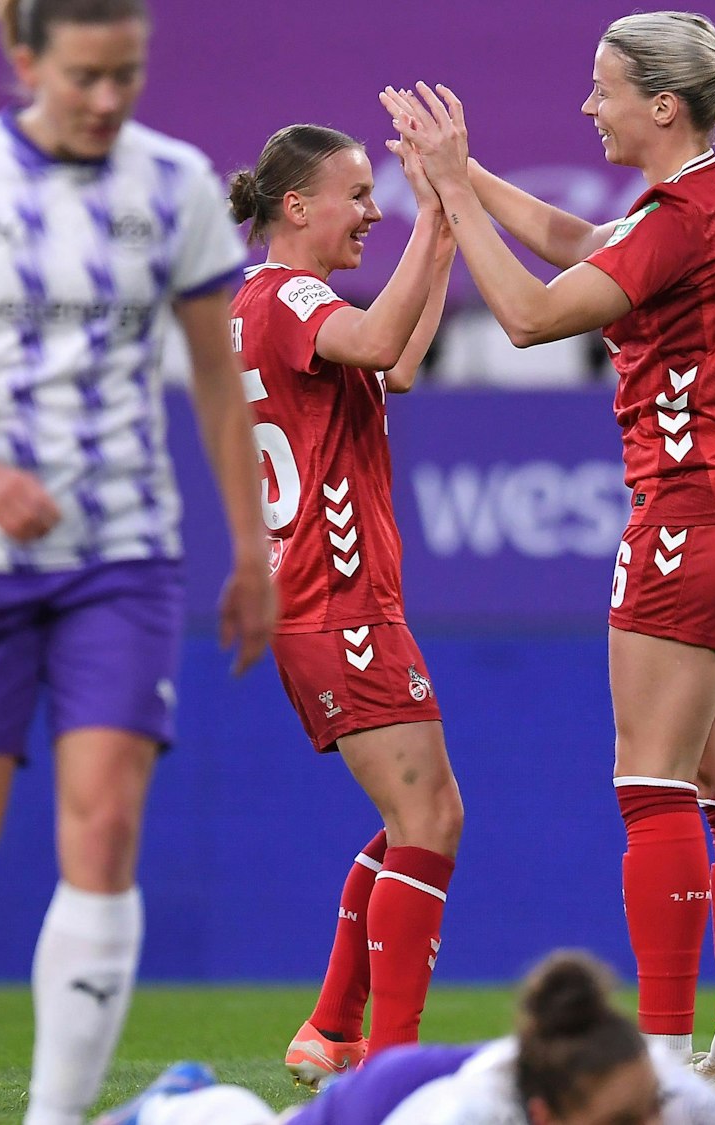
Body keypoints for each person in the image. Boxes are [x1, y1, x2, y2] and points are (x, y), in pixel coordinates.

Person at [381, 9, 715, 1103]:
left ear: (659, 104)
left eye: (601, 88)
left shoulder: (677, 212)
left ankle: (659, 1062)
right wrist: (463, 180)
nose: (587, 107)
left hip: (692, 512)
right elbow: (584, 249)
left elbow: (526, 316)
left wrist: (451, 199)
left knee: (651, 785)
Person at [0, 0, 276, 1120]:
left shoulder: (178, 183)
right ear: (25, 58)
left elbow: (214, 379)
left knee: (102, 829)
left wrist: (250, 546)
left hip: (122, 558)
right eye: (86, 76)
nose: (106, 101)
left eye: (127, 76)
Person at [226, 124, 461, 1085]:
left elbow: (394, 364)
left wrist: (440, 230)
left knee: (418, 818)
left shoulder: (259, 305)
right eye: (357, 194)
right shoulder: (293, 295)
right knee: (429, 819)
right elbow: (375, 338)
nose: (372, 211)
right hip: (340, 597)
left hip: (322, 601)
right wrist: (434, 219)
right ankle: (391, 1070)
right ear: (295, 206)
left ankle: (334, 1031)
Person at [90, 950, 715, 1125]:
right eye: (624, 1121)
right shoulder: (459, 1115)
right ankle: (181, 1102)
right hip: (380, 1103)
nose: (654, 1122)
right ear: (544, 1117)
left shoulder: (659, 1089)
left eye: (651, 1105)